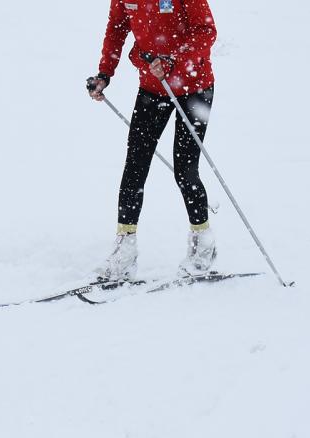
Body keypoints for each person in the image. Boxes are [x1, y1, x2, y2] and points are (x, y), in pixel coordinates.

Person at [87, 0, 218, 281]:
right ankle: (125, 249)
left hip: (194, 86)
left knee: (185, 169)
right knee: (135, 166)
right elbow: (117, 28)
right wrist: (104, 74)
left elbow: (206, 32)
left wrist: (173, 58)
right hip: (152, 86)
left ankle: (202, 245)